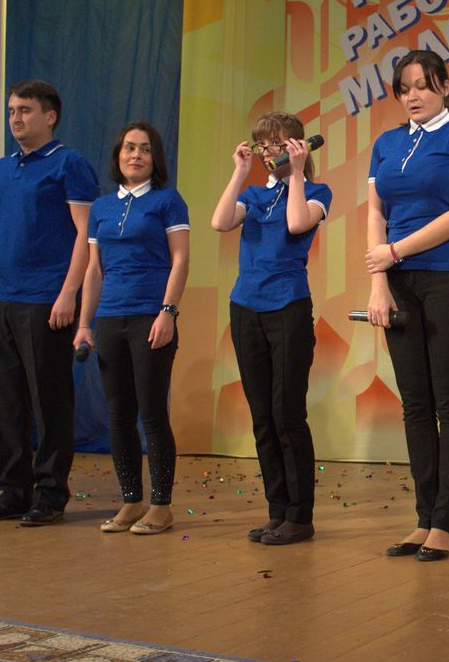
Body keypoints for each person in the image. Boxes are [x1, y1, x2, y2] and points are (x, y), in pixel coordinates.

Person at [0, 79, 99, 527]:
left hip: (46, 299)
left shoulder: (69, 164)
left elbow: (86, 234)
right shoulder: (0, 169)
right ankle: (13, 491)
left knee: (49, 401)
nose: (16, 118)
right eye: (12, 110)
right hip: (3, 298)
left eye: (26, 110)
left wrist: (68, 293)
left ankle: (50, 494)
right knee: (8, 401)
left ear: (50, 116)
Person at [365, 50, 449, 562]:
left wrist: (395, 251)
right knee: (414, 403)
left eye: (423, 85)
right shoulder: (386, 144)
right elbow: (376, 212)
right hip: (397, 281)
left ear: (444, 86)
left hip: (448, 277)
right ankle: (422, 518)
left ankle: (444, 524)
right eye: (404, 88)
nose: (412, 96)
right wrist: (379, 281)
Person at [210, 112, 332, 546]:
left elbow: (297, 223)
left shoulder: (316, 191)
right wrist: (239, 171)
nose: (268, 152)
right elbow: (220, 221)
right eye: (262, 144)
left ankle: (300, 515)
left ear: (297, 145)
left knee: (286, 413)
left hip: (288, 307)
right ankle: (277, 509)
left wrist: (296, 173)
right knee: (262, 415)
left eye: (277, 144)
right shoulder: (254, 194)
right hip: (246, 307)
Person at [73, 122, 190, 535]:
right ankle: (130, 501)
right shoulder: (102, 207)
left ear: (155, 158)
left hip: (150, 317)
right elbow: (94, 269)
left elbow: (180, 260)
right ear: (118, 155)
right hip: (109, 319)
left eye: (144, 149)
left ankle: (161, 506)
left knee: (152, 413)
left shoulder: (167, 201)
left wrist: (167, 312)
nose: (135, 155)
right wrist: (84, 323)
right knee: (118, 415)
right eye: (129, 148)